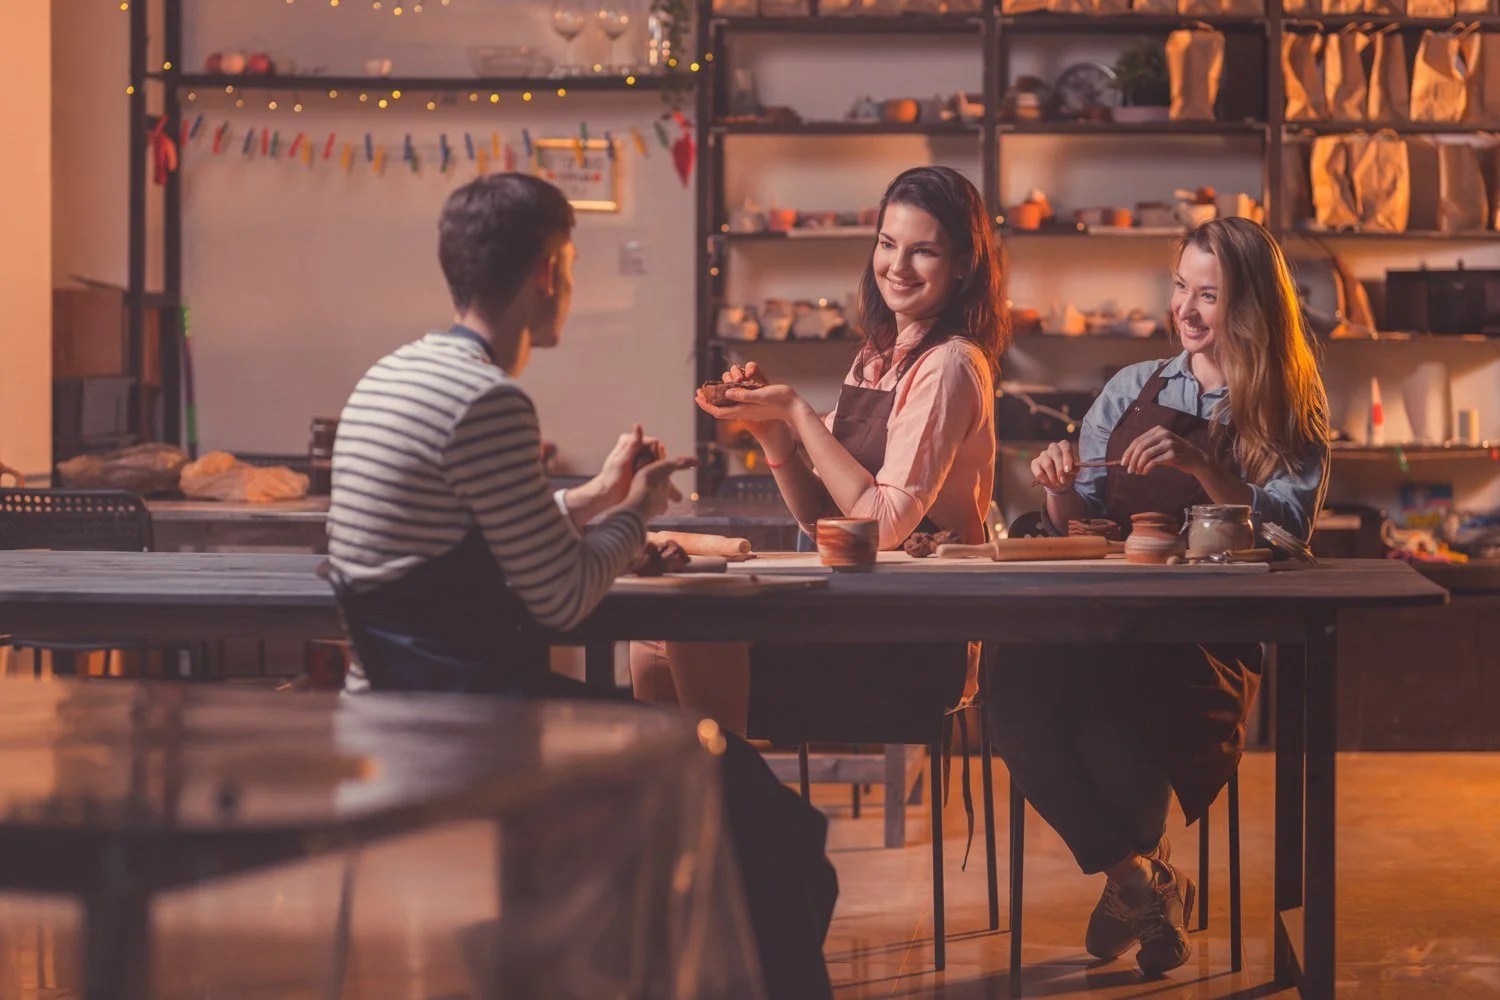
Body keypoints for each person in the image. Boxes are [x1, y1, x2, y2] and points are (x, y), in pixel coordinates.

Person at [326, 173, 838, 998]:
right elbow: (563, 598)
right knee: (769, 826)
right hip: (477, 730)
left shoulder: (394, 378)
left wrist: (594, 497)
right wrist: (638, 512)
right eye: (568, 261)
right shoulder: (488, 401)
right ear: (546, 272)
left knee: (736, 813)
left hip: (388, 714)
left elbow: (466, 538)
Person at [990, 217, 1331, 977]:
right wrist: (1054, 491)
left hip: (1198, 650)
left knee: (1116, 739)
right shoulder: (1130, 386)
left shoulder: (1285, 406)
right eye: (1181, 287)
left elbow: (1285, 538)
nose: (1189, 309)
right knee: (1011, 694)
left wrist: (1206, 467)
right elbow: (1081, 525)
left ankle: (1133, 881)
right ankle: (1142, 883)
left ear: (1252, 308)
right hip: (1100, 625)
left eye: (1211, 294)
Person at [633, 165, 1007, 746]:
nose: (897, 267)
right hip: (858, 608)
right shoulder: (877, 356)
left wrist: (799, 412)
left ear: (962, 264)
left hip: (918, 634)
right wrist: (772, 434)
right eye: (887, 244)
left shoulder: (950, 364)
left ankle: (726, 807)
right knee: (656, 631)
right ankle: (685, 806)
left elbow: (880, 527)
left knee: (693, 627)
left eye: (923, 252)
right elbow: (829, 525)